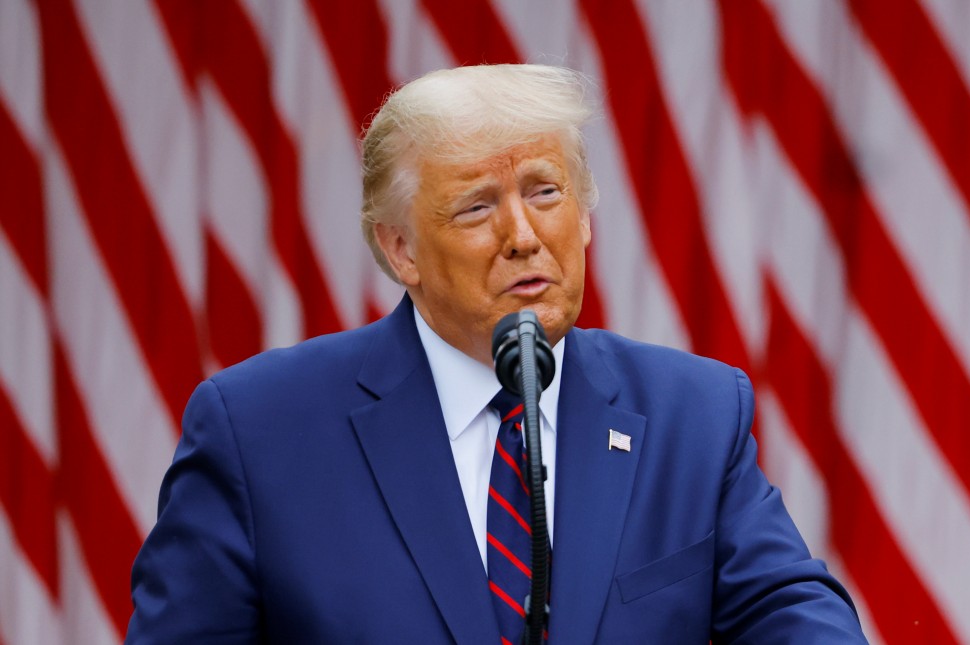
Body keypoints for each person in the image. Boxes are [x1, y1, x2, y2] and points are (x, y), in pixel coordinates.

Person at [125, 64, 868, 643]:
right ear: (400, 248)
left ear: (583, 219)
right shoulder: (259, 432)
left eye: (546, 191)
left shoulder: (692, 416)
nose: (522, 234)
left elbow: (793, 615)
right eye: (478, 205)